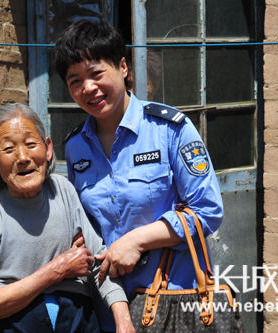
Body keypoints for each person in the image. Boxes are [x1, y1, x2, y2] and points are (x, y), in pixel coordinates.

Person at [54, 20, 223, 332]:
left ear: (123, 67)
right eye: (75, 81)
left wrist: (136, 241)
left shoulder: (170, 129)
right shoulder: (76, 147)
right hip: (110, 309)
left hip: (174, 303)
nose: (88, 88)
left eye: (96, 73)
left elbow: (208, 210)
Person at [0, 104, 134, 333]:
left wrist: (123, 320)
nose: (23, 157)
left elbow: (99, 260)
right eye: (9, 149)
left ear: (48, 149)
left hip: (77, 320)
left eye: (31, 144)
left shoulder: (61, 189)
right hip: (10, 324)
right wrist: (56, 270)